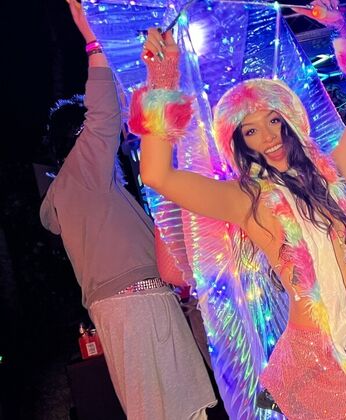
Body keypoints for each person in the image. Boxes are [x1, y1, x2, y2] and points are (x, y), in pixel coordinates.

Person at [133, 1, 346, 418]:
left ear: (289, 120)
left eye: (273, 121)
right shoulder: (248, 200)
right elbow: (157, 175)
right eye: (250, 130)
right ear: (239, 143)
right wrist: (162, 81)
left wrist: (342, 29)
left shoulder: (328, 176)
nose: (267, 137)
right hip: (325, 353)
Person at [39, 1, 216, 419]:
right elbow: (103, 114)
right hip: (135, 305)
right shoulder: (80, 173)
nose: (114, 133)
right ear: (78, 138)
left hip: (135, 304)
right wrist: (94, 43)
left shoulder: (89, 191)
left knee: (177, 411)